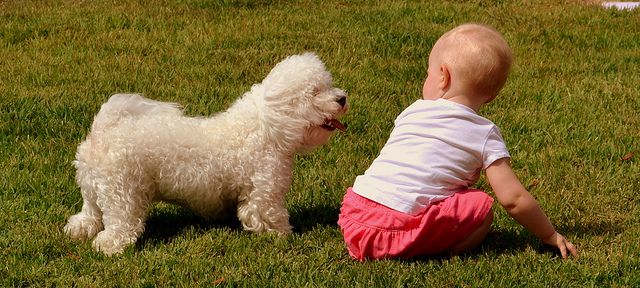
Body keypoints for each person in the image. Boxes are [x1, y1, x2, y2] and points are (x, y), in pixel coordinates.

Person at [338, 23, 579, 261]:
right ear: (492, 96)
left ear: (443, 76)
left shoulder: (412, 111)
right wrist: (549, 234)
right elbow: (513, 198)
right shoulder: (484, 133)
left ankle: (380, 244)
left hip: (354, 218)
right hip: (395, 230)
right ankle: (441, 254)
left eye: (427, 73)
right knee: (482, 209)